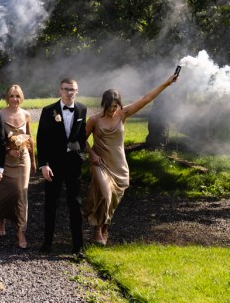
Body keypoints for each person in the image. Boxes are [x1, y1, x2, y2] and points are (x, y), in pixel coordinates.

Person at [83, 73, 178, 245]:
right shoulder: (94, 120)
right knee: (104, 194)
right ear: (103, 104)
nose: (112, 110)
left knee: (113, 199)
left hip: (119, 164)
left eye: (115, 106)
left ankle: (105, 227)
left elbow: (147, 98)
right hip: (101, 163)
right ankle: (97, 229)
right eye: (110, 107)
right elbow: (81, 140)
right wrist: (92, 154)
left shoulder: (122, 114)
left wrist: (166, 83)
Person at [36, 78, 88, 256]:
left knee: (75, 204)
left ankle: (78, 246)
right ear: (60, 90)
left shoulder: (82, 109)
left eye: (72, 89)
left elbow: (82, 135)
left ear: (77, 91)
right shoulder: (48, 110)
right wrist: (44, 164)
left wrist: (81, 154)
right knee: (51, 204)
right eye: (66, 89)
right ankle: (47, 243)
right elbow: (41, 140)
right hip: (53, 165)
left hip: (74, 165)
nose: (69, 92)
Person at [0, 85, 37, 249]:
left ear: (22, 97)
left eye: (17, 96)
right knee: (4, 193)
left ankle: (21, 230)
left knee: (22, 192)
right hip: (5, 159)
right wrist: (8, 150)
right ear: (7, 97)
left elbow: (30, 138)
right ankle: (1, 219)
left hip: (23, 159)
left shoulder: (26, 114)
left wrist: (33, 160)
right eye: (11, 96)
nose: (14, 99)